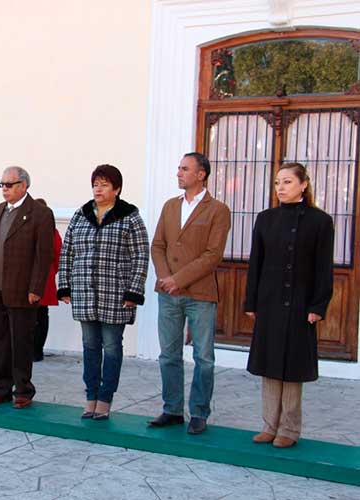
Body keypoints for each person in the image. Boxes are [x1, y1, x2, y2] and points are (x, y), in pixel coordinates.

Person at [244, 162, 334, 449]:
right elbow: (255, 262)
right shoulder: (265, 218)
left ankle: (289, 429)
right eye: (277, 183)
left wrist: (318, 305)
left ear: (303, 185)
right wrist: (251, 301)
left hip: (300, 303)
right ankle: (269, 424)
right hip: (269, 302)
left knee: (293, 366)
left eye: (287, 182)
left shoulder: (320, 222)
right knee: (270, 363)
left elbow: (323, 268)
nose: (281, 188)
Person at [57, 165, 149, 420]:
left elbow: (141, 256)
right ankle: (90, 396)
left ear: (117, 189)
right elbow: (68, 252)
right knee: (89, 346)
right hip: (85, 292)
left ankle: (105, 399)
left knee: (111, 346)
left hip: (116, 294)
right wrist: (64, 285)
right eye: (96, 184)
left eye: (104, 185)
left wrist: (133, 291)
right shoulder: (81, 215)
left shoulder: (130, 217)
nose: (98, 189)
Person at [149, 152, 231, 435]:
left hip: (200, 294)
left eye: (185, 169)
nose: (179, 173)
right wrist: (164, 277)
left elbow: (213, 255)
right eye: (178, 168)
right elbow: (157, 245)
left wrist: (179, 279)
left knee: (204, 357)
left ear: (201, 174)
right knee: (168, 355)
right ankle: (171, 409)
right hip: (168, 293)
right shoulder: (170, 206)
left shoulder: (218, 210)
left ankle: (199, 412)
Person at [0, 166, 55, 409]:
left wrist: (36, 288)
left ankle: (23, 390)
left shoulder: (40, 214)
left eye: (9, 184)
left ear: (23, 185)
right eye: (1, 184)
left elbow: (43, 257)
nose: (4, 189)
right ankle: (0, 388)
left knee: (21, 341)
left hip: (23, 290)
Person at [32, 199, 61, 362]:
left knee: (32, 317)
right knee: (42, 316)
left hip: (38, 279)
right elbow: (58, 256)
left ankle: (31, 350)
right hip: (46, 279)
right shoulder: (52, 232)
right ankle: (37, 351)